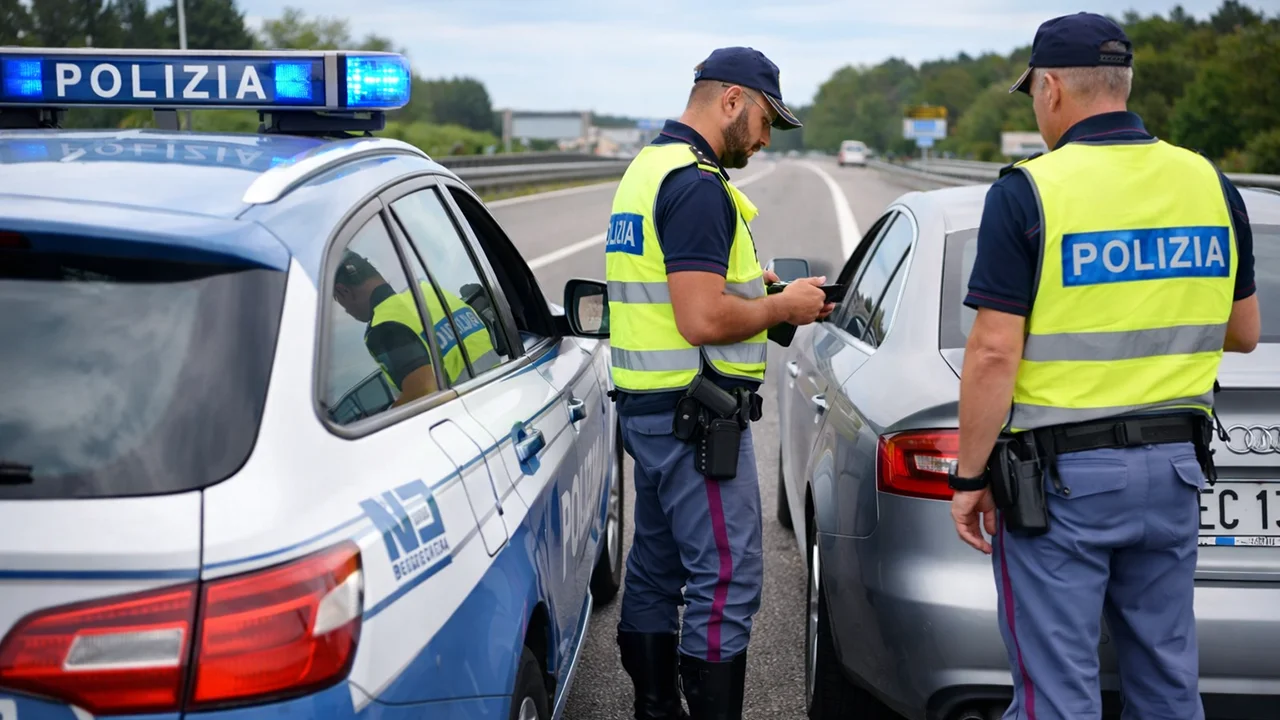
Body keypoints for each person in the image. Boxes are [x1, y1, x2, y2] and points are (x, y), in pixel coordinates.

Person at [948, 12, 1262, 720]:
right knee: (1167, 685)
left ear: (1051, 87)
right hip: (1175, 474)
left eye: (1032, 92)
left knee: (1058, 696)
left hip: (1062, 488)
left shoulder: (1028, 192)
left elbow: (994, 352)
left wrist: (969, 479)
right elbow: (1243, 331)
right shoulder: (1209, 182)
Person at [604, 46, 833, 720]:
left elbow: (676, 290)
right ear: (731, 100)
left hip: (652, 410)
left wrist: (752, 291)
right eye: (765, 120)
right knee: (725, 580)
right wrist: (782, 308)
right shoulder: (698, 184)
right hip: (695, 420)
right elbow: (701, 316)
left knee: (655, 568)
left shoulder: (649, 168)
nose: (765, 139)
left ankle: (655, 707)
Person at [332, 250, 497, 406]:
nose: (347, 311)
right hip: (500, 391)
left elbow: (424, 389)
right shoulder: (427, 290)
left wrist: (380, 419)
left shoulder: (383, 326)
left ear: (343, 290)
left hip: (467, 412)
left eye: (340, 302)